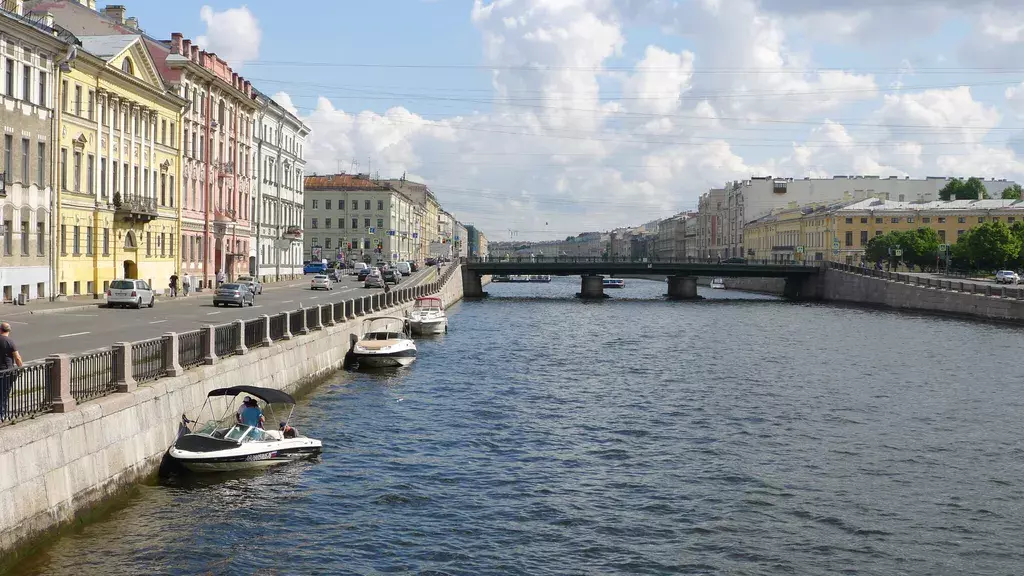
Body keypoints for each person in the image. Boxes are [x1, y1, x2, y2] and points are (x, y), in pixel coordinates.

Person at [0, 322, 24, 422]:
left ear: (0, 329)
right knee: (4, 395)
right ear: (9, 330)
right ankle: (1, 416)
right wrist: (20, 366)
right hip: (6, 371)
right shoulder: (10, 341)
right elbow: (17, 357)